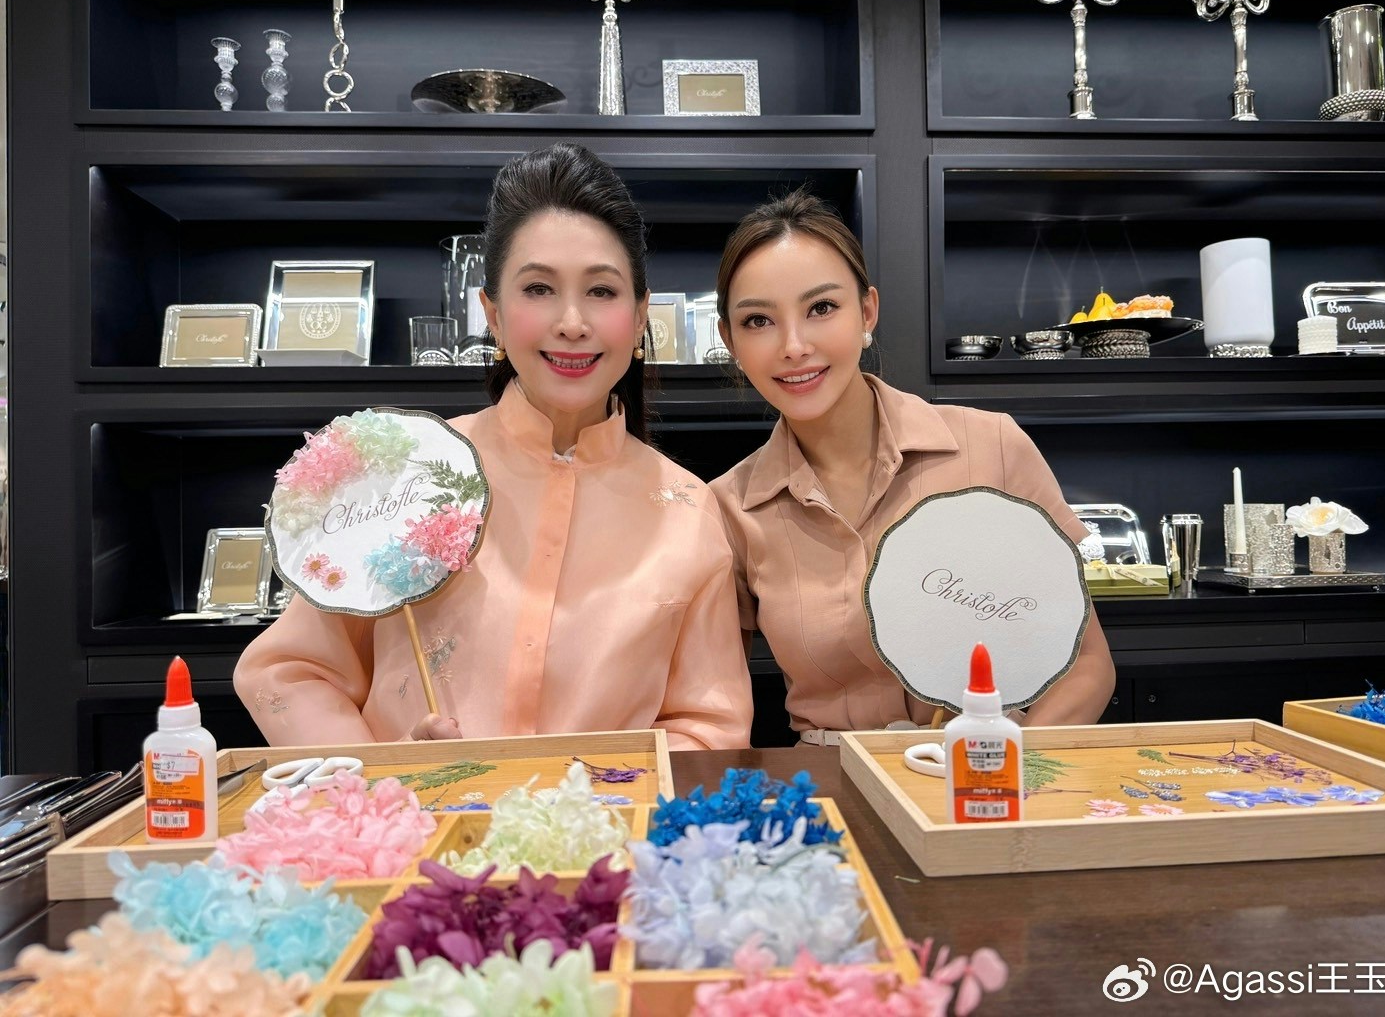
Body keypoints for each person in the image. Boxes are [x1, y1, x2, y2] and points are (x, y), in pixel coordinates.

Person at [234, 143, 753, 749]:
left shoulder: (689, 511)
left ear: (641, 317)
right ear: (494, 315)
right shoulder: (407, 472)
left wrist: (584, 794)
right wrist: (382, 772)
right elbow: (291, 671)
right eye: (538, 288)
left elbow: (708, 729)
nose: (572, 322)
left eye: (601, 291)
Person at [709, 191, 1115, 743]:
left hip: (993, 771)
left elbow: (1086, 665)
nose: (794, 345)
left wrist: (1002, 771)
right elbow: (714, 705)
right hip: (832, 780)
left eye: (821, 308)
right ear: (730, 341)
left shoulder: (992, 447)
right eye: (758, 320)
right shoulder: (729, 509)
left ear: (867, 312)